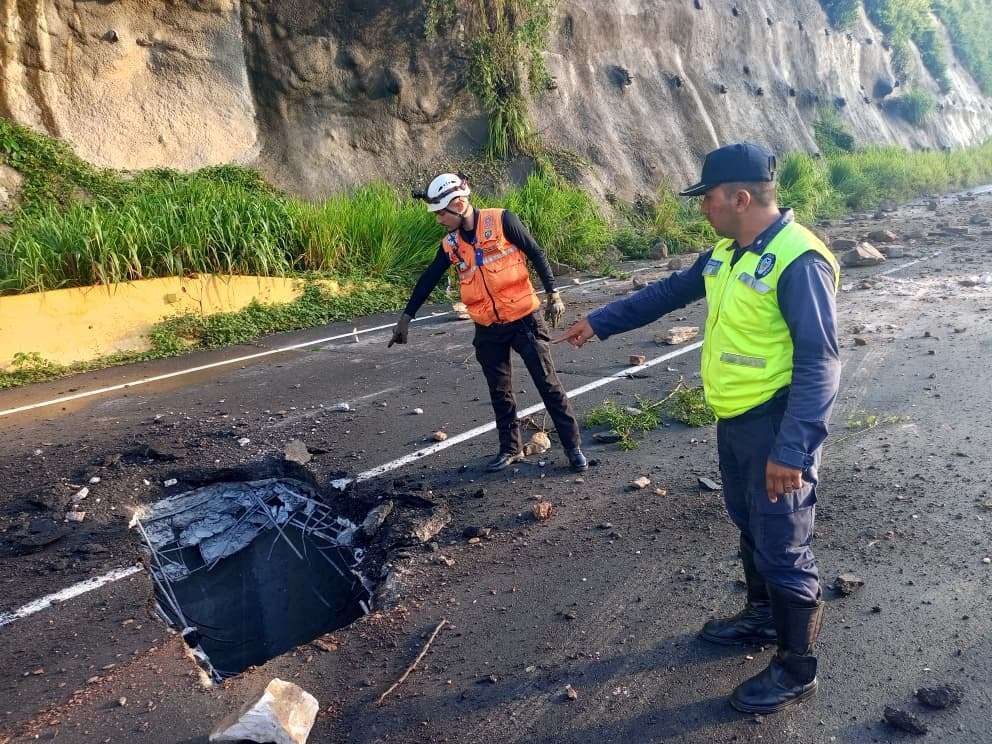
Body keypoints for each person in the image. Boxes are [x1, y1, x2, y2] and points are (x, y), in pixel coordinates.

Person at [556, 143, 841, 714]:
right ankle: (762, 618)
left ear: (740, 197)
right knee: (750, 523)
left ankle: (795, 667)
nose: (701, 207)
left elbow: (821, 362)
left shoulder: (798, 259)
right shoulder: (726, 252)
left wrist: (792, 449)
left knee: (784, 544)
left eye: (706, 197)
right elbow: (669, 293)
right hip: (735, 421)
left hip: (776, 425)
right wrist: (601, 321)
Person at [389, 173, 588, 473]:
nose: (439, 220)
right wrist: (406, 317)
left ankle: (573, 448)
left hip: (524, 322)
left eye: (441, 213)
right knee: (500, 391)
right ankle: (509, 449)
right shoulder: (451, 245)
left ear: (457, 204)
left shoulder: (502, 220)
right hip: (487, 328)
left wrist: (553, 294)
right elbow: (429, 278)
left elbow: (536, 252)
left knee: (548, 384)